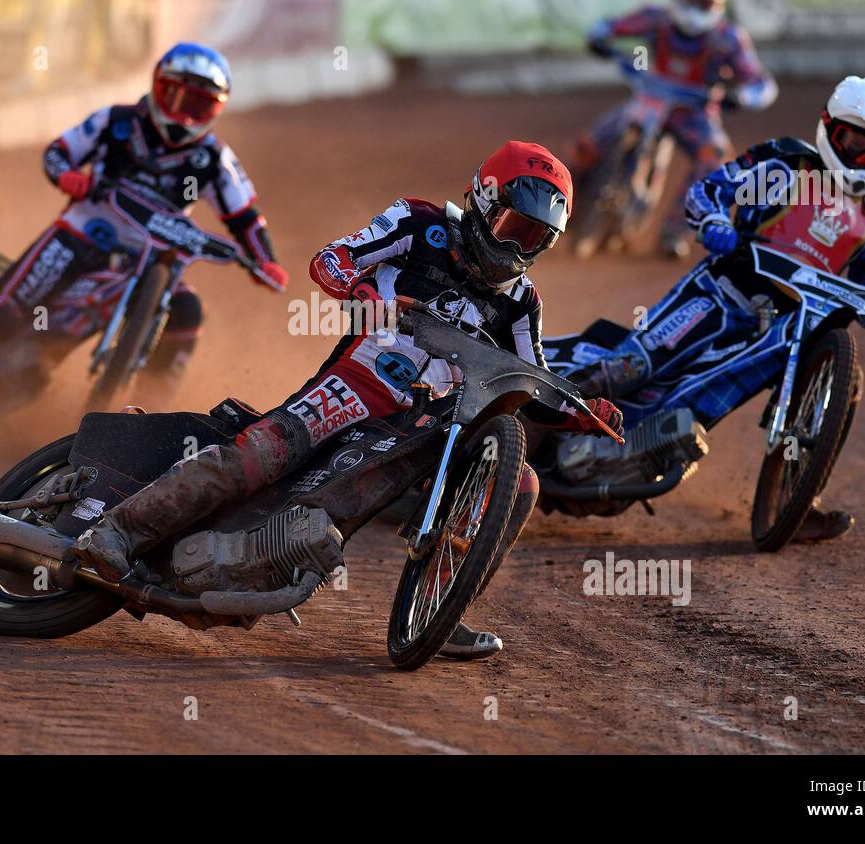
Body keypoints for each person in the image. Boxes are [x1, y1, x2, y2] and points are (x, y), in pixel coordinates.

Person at [75, 141, 624, 659]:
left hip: (434, 423)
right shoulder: (419, 222)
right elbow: (332, 259)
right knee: (263, 455)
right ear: (484, 197)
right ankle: (118, 530)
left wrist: (584, 413)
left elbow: (535, 380)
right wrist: (363, 293)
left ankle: (443, 605)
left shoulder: (522, 303)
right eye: (513, 226)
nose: (516, 247)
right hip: (363, 379)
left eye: (534, 238)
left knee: (521, 481)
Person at [566, 75, 865, 539]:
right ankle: (537, 415)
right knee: (631, 367)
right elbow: (708, 191)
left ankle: (798, 498)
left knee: (839, 384)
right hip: (722, 292)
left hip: (785, 329)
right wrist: (710, 223)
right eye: (856, 144)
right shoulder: (786, 162)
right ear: (830, 128)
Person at [0, 42, 286, 393]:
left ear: (216, 109)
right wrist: (69, 178)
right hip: (81, 234)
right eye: (174, 96)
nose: (181, 114)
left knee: (188, 308)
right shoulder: (115, 122)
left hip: (148, 259)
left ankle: (151, 414)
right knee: (3, 309)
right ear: (156, 86)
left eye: (198, 105)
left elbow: (245, 216)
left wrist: (264, 261)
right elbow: (58, 152)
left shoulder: (213, 158)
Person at [572, 0, 778, 258]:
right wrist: (600, 38)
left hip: (694, 112)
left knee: (714, 160)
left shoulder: (728, 39)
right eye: (689, 0)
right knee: (591, 143)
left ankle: (675, 231)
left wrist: (743, 96)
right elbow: (610, 26)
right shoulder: (656, 20)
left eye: (703, 3)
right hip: (649, 99)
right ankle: (565, 204)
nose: (694, 10)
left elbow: (760, 83)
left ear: (717, 6)